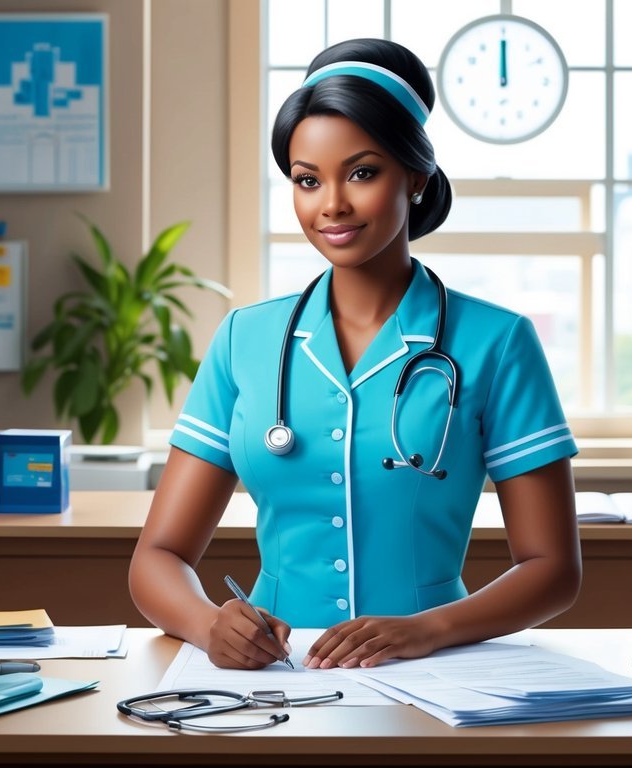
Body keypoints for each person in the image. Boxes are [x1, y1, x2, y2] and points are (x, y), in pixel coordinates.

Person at [129, 38, 580, 671]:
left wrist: (426, 631)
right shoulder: (245, 340)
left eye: (362, 172)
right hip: (271, 678)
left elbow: (553, 568)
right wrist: (209, 626)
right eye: (307, 180)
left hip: (435, 672)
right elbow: (158, 557)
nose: (331, 204)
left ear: (416, 177)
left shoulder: (497, 342)